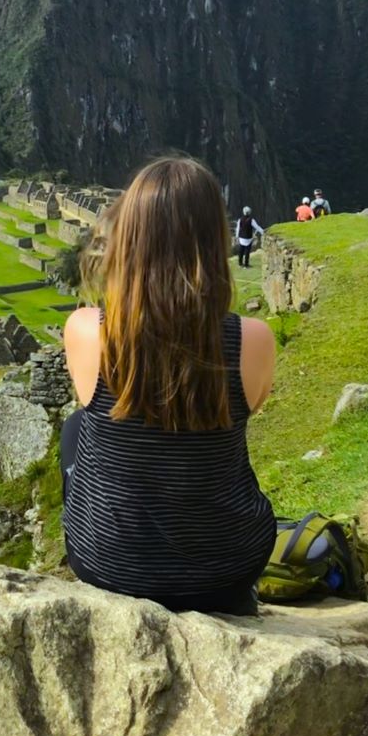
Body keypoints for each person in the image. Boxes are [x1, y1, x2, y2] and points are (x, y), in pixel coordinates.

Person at [61, 156, 277, 616]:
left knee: (77, 429)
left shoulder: (85, 330)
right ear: (214, 240)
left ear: (129, 238)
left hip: (107, 564)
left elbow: (97, 403)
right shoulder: (253, 340)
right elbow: (251, 404)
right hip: (227, 569)